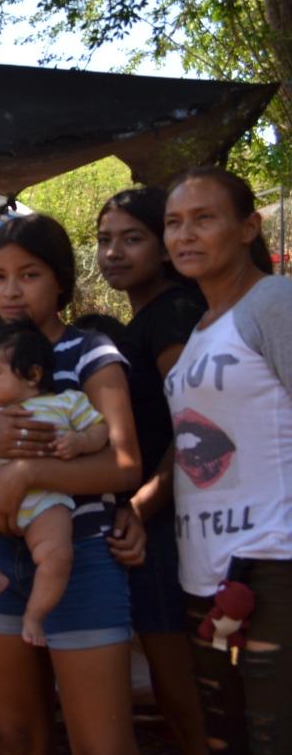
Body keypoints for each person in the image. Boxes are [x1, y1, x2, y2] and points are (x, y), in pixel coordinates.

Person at [0, 214, 143, 755]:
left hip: (81, 555)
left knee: (102, 741)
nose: (9, 290)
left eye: (28, 275)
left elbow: (123, 465)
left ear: (60, 281)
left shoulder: (91, 353)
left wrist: (26, 472)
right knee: (17, 736)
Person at [161, 166, 292, 752]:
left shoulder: (273, 302)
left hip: (276, 564)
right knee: (225, 740)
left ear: (248, 228)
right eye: (173, 223)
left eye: (203, 219)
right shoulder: (198, 332)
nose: (185, 235)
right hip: (207, 572)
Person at [96, 185, 207, 754]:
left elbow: (196, 427)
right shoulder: (142, 318)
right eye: (104, 240)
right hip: (154, 515)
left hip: (168, 519)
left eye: (131, 238)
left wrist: (142, 506)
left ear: (164, 247)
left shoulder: (172, 316)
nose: (113, 252)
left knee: (179, 674)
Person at [0, 320, 109, 646]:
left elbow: (101, 430)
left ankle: (35, 615)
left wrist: (81, 441)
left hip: (46, 499)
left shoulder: (67, 402)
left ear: (32, 375)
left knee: (57, 555)